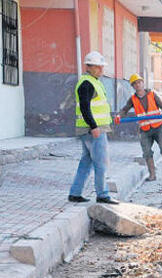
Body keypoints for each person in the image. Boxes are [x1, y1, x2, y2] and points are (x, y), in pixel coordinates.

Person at [68, 51, 118, 205]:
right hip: (93, 130)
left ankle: (75, 193)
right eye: (99, 67)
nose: (102, 70)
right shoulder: (87, 83)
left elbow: (98, 107)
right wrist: (94, 126)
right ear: (89, 67)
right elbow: (85, 107)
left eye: (102, 67)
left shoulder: (93, 81)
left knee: (86, 162)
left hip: (92, 129)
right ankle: (102, 194)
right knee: (101, 162)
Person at [115, 74, 162, 181]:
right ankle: (152, 174)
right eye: (135, 83)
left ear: (143, 83)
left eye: (139, 82)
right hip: (145, 130)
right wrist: (119, 116)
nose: (138, 85)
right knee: (147, 152)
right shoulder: (133, 99)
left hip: (158, 127)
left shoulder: (152, 94)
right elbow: (124, 110)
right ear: (133, 86)